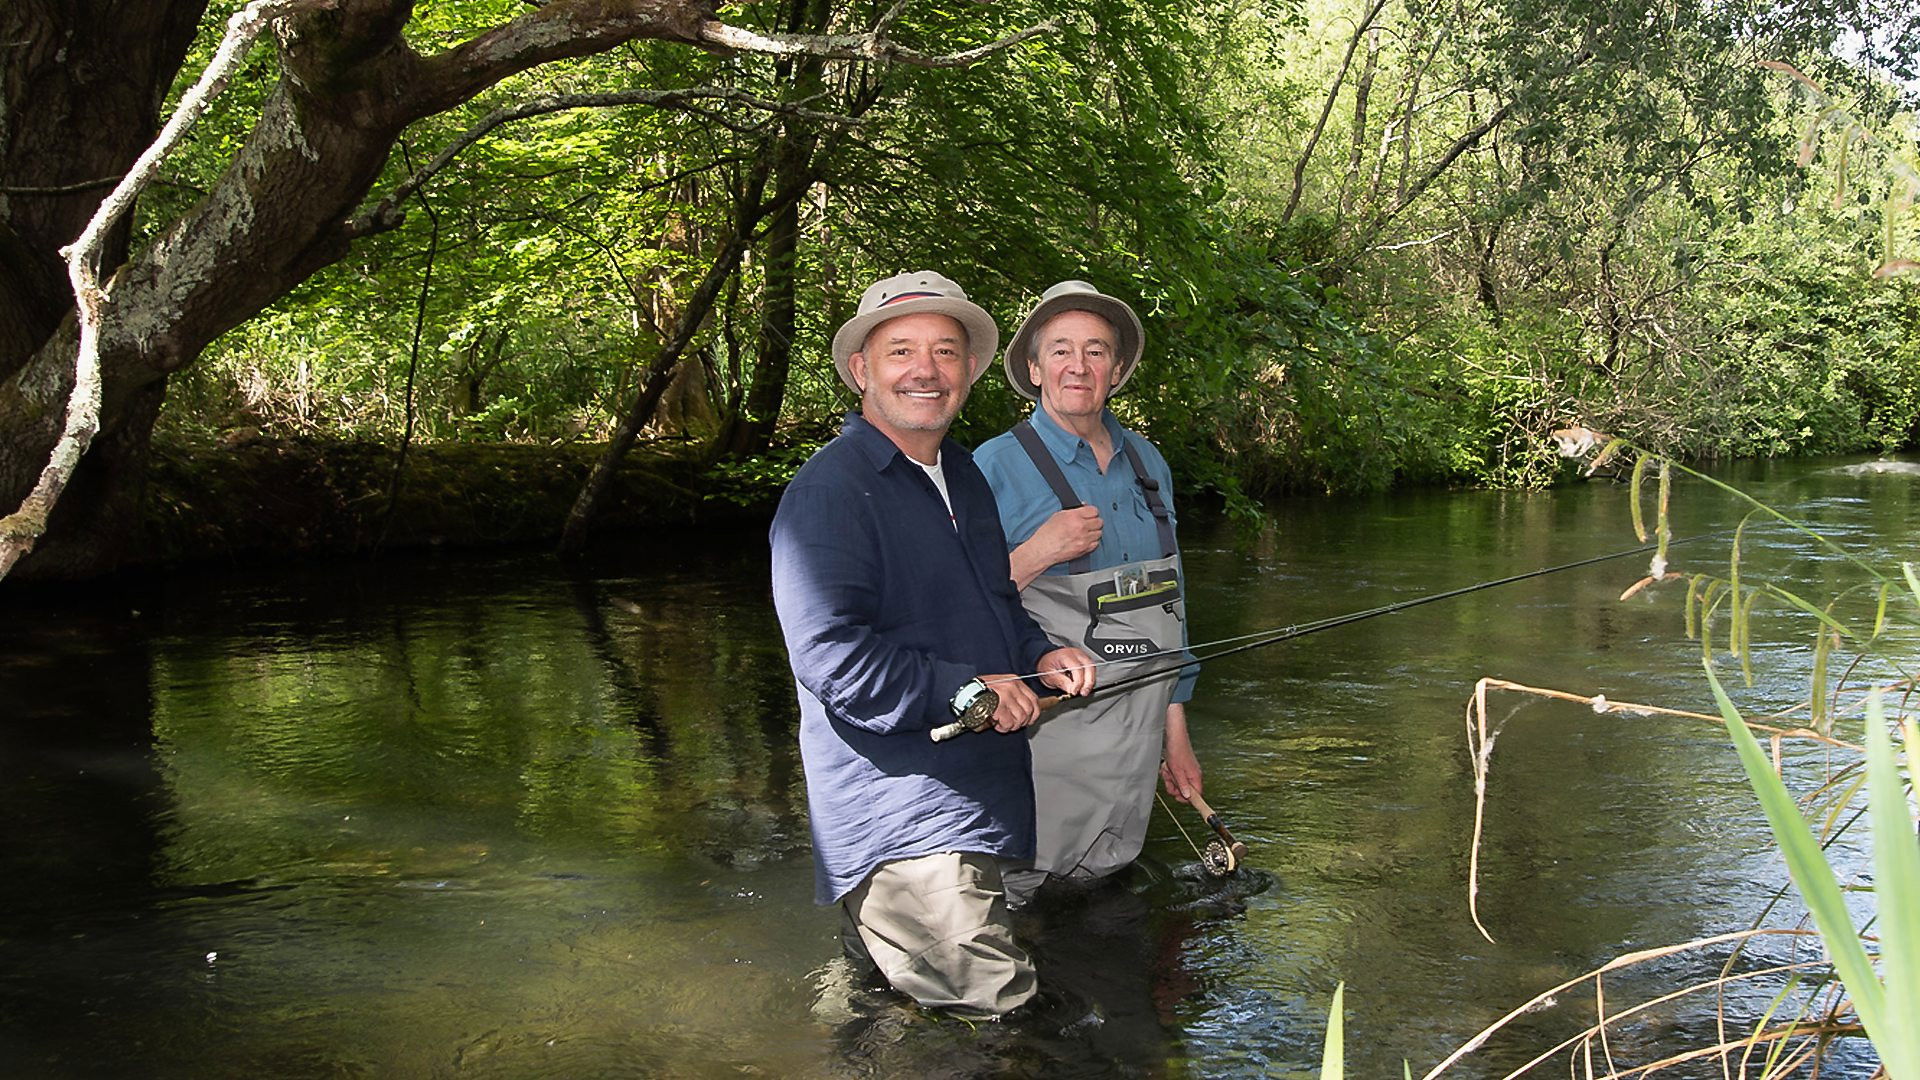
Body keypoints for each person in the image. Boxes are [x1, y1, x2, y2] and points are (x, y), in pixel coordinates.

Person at [769, 270, 1097, 1019]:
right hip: (904, 820)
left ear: (970, 372)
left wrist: (1040, 654)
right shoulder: (826, 493)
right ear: (862, 370)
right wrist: (968, 689)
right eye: (902, 351)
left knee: (889, 1022)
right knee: (1000, 1025)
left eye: (946, 352)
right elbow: (830, 658)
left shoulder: (965, 476)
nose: (926, 370)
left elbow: (994, 604)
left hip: (979, 800)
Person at [973, 280, 1203, 902]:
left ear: (1118, 368)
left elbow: (1169, 608)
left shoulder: (1150, 465)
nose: (1079, 365)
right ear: (1034, 366)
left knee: (1105, 896)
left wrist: (1174, 737)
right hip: (1046, 727)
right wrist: (1037, 552)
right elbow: (956, 607)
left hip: (1138, 727)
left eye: (1096, 351)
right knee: (1019, 889)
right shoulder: (989, 467)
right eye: (1061, 350)